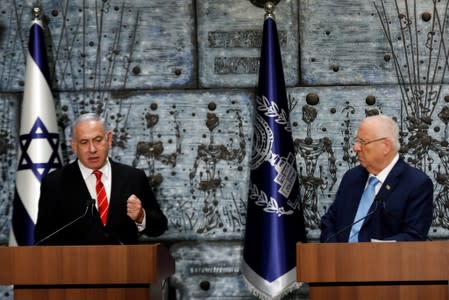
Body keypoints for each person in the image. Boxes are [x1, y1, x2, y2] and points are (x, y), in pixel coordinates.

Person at [34, 113, 168, 245]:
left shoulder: (133, 177)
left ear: (109, 139)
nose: (92, 149)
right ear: (74, 146)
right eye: (84, 142)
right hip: (75, 265)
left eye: (98, 140)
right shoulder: (54, 183)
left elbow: (159, 227)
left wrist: (141, 216)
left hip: (124, 264)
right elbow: (42, 238)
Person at [320, 115, 433, 242]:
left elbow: (413, 236)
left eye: (362, 142)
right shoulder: (351, 177)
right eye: (356, 141)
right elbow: (329, 221)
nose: (355, 148)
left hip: (385, 260)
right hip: (338, 259)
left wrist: (373, 252)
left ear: (386, 146)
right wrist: (336, 252)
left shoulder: (417, 184)